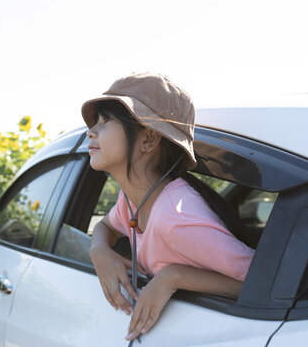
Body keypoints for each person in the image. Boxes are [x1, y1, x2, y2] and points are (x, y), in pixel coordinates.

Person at [82, 72, 255, 343]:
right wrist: (99, 250)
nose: (91, 131)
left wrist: (172, 278)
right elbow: (106, 225)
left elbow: (258, 282)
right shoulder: (132, 200)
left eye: (106, 122)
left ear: (149, 140)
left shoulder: (177, 218)